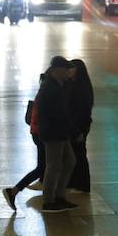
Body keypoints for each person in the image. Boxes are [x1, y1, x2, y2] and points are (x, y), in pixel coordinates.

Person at [2, 68, 49, 211]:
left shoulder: (42, 94)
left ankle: (15, 191)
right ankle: (14, 190)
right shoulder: (46, 96)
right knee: (43, 167)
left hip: (37, 133)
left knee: (44, 167)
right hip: (42, 134)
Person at [35, 56, 77, 213]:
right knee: (53, 166)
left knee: (69, 162)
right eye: (66, 70)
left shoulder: (57, 85)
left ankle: (59, 196)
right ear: (57, 70)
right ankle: (48, 201)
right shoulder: (50, 88)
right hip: (53, 132)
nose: (68, 72)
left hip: (60, 132)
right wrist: (73, 130)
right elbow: (58, 112)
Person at [66, 59, 93, 193]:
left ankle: (82, 185)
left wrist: (78, 131)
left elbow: (82, 111)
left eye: (71, 68)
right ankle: (73, 183)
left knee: (79, 155)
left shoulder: (81, 88)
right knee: (75, 155)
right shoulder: (75, 84)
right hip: (75, 126)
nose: (69, 71)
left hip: (79, 127)